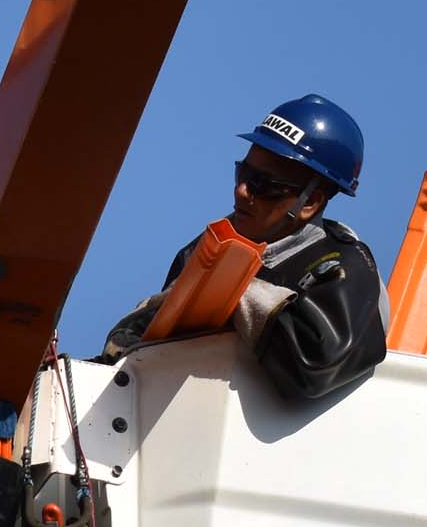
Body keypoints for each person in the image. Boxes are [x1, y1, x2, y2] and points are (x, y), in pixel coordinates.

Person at [101, 93, 388, 401]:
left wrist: (234, 291)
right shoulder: (206, 249)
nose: (241, 191)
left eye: (264, 185)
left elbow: (314, 365)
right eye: (245, 174)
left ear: (311, 203)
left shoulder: (343, 267)